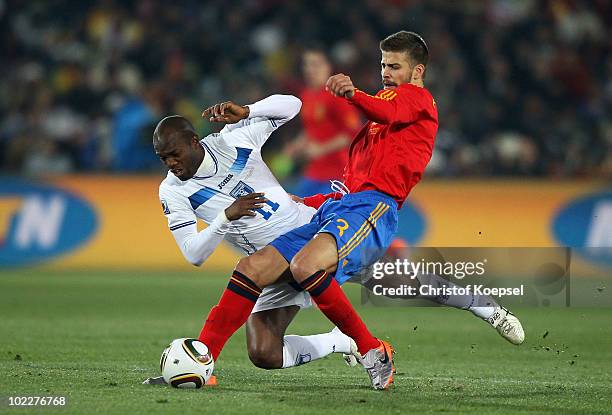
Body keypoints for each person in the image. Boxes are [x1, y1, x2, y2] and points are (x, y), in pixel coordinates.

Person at [196, 30, 440, 391]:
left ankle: (371, 347)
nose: (386, 72)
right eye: (383, 64)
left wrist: (353, 94)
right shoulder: (350, 108)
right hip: (331, 199)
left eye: (395, 66)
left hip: (362, 203)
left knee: (309, 265)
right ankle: (203, 359)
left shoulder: (415, 99)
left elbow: (382, 114)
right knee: (252, 278)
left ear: (417, 71)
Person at [143, 94, 360, 385]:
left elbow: (293, 105)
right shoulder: (172, 191)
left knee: (404, 280)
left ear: (194, 141)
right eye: (163, 158)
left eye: (174, 153)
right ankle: (341, 341)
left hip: (313, 235)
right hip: (270, 266)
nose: (170, 163)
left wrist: (248, 111)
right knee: (264, 353)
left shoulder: (234, 138)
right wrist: (225, 217)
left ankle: (201, 361)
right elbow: (193, 253)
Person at [285, 47, 361, 197]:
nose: (310, 69)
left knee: (325, 215)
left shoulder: (337, 94)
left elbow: (354, 133)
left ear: (328, 66)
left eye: (316, 64)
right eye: (307, 64)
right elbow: (312, 128)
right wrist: (296, 145)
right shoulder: (306, 95)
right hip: (314, 171)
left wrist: (322, 149)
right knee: (295, 208)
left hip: (339, 172)